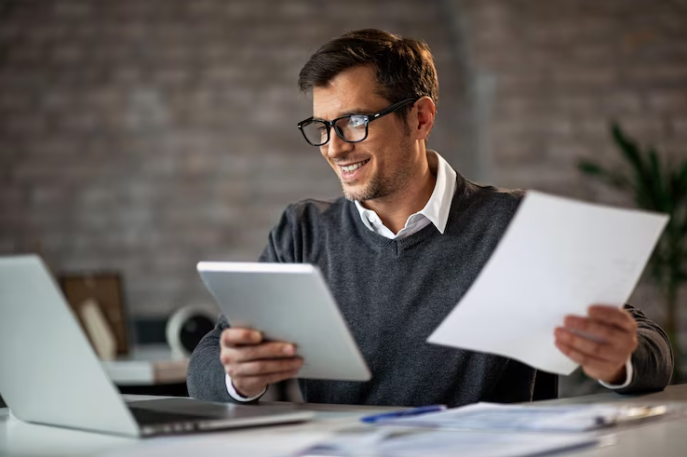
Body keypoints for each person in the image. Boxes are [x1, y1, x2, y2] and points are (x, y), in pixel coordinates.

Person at [187, 29, 673, 407]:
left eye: (355, 123)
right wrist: (237, 374)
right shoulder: (303, 231)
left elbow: (649, 348)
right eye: (322, 127)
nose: (334, 147)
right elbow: (207, 362)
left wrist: (619, 358)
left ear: (420, 118)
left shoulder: (514, 224)